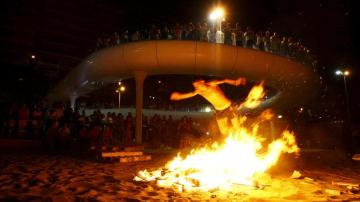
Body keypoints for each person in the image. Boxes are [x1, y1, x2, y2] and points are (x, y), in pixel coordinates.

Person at [170, 77, 246, 135]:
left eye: (197, 85)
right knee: (224, 132)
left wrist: (235, 82)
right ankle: (234, 136)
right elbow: (190, 94)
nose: (196, 87)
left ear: (202, 82)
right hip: (219, 111)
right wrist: (179, 96)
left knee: (237, 128)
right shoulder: (199, 91)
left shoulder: (212, 84)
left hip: (229, 107)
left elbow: (224, 80)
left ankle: (240, 131)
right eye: (195, 86)